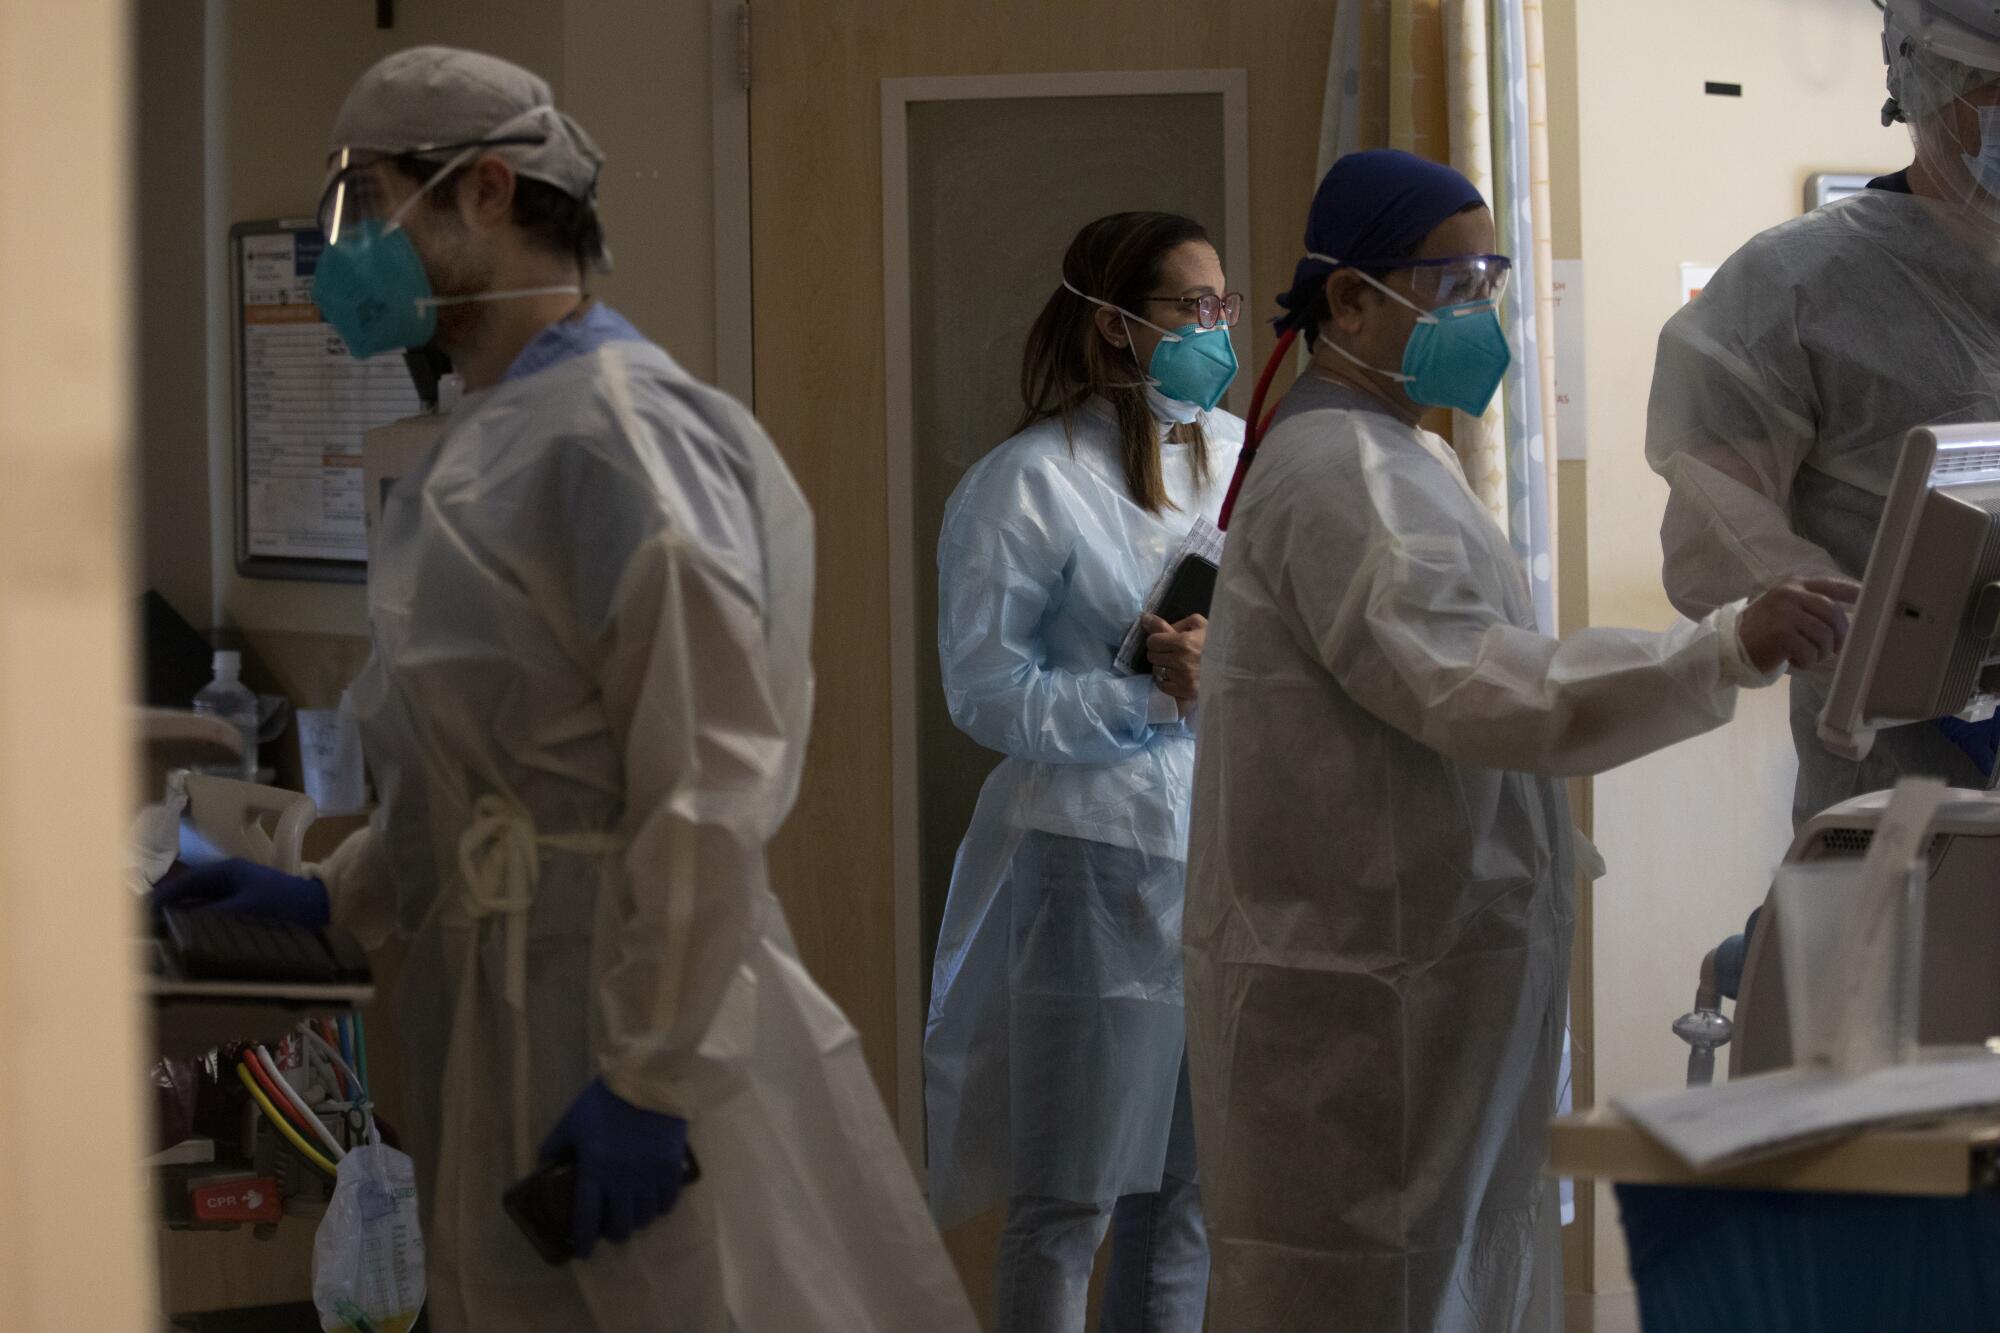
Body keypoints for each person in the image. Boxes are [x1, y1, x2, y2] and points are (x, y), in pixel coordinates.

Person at [155, 47, 975, 1333]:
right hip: (502, 1018)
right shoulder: (479, 444)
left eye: (367, 204)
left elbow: (706, 781)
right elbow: (484, 785)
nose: (344, 250)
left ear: (485, 192)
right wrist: (331, 893)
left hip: (639, 1028)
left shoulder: (622, 434)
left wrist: (651, 1075)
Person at [1181, 150, 1857, 1332]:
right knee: (1371, 1288)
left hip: (1430, 972)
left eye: (1487, 281)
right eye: (1451, 286)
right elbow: (1477, 687)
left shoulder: (1404, 457)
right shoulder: (1340, 473)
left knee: (1453, 1274)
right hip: (1358, 1001)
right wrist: (1716, 650)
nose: (1478, 315)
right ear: (1348, 299)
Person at [923, 211, 1244, 1332]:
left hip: (1223, 855)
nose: (1214, 331)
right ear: (1113, 324)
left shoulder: (1240, 461)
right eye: (1187, 309)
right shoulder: (1027, 484)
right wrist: (1144, 696)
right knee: (1069, 1200)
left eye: (1222, 307)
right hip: (1086, 862)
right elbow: (983, 688)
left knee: (1191, 1196)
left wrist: (1230, 669)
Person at [1647, 0, 2000, 827]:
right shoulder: (1794, 291)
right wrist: (1907, 648)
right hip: (1892, 802)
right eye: (1995, 84)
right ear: (1922, 78)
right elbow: (1715, 538)